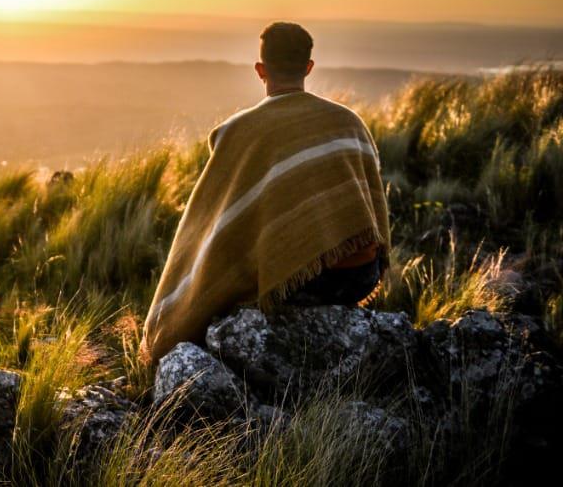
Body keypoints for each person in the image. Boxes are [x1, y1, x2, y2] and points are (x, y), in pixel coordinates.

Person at [140, 22, 390, 363]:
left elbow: (212, 224)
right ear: (308, 68)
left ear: (260, 70)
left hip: (305, 286)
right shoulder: (350, 122)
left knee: (231, 251)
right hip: (361, 276)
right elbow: (373, 207)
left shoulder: (237, 132)